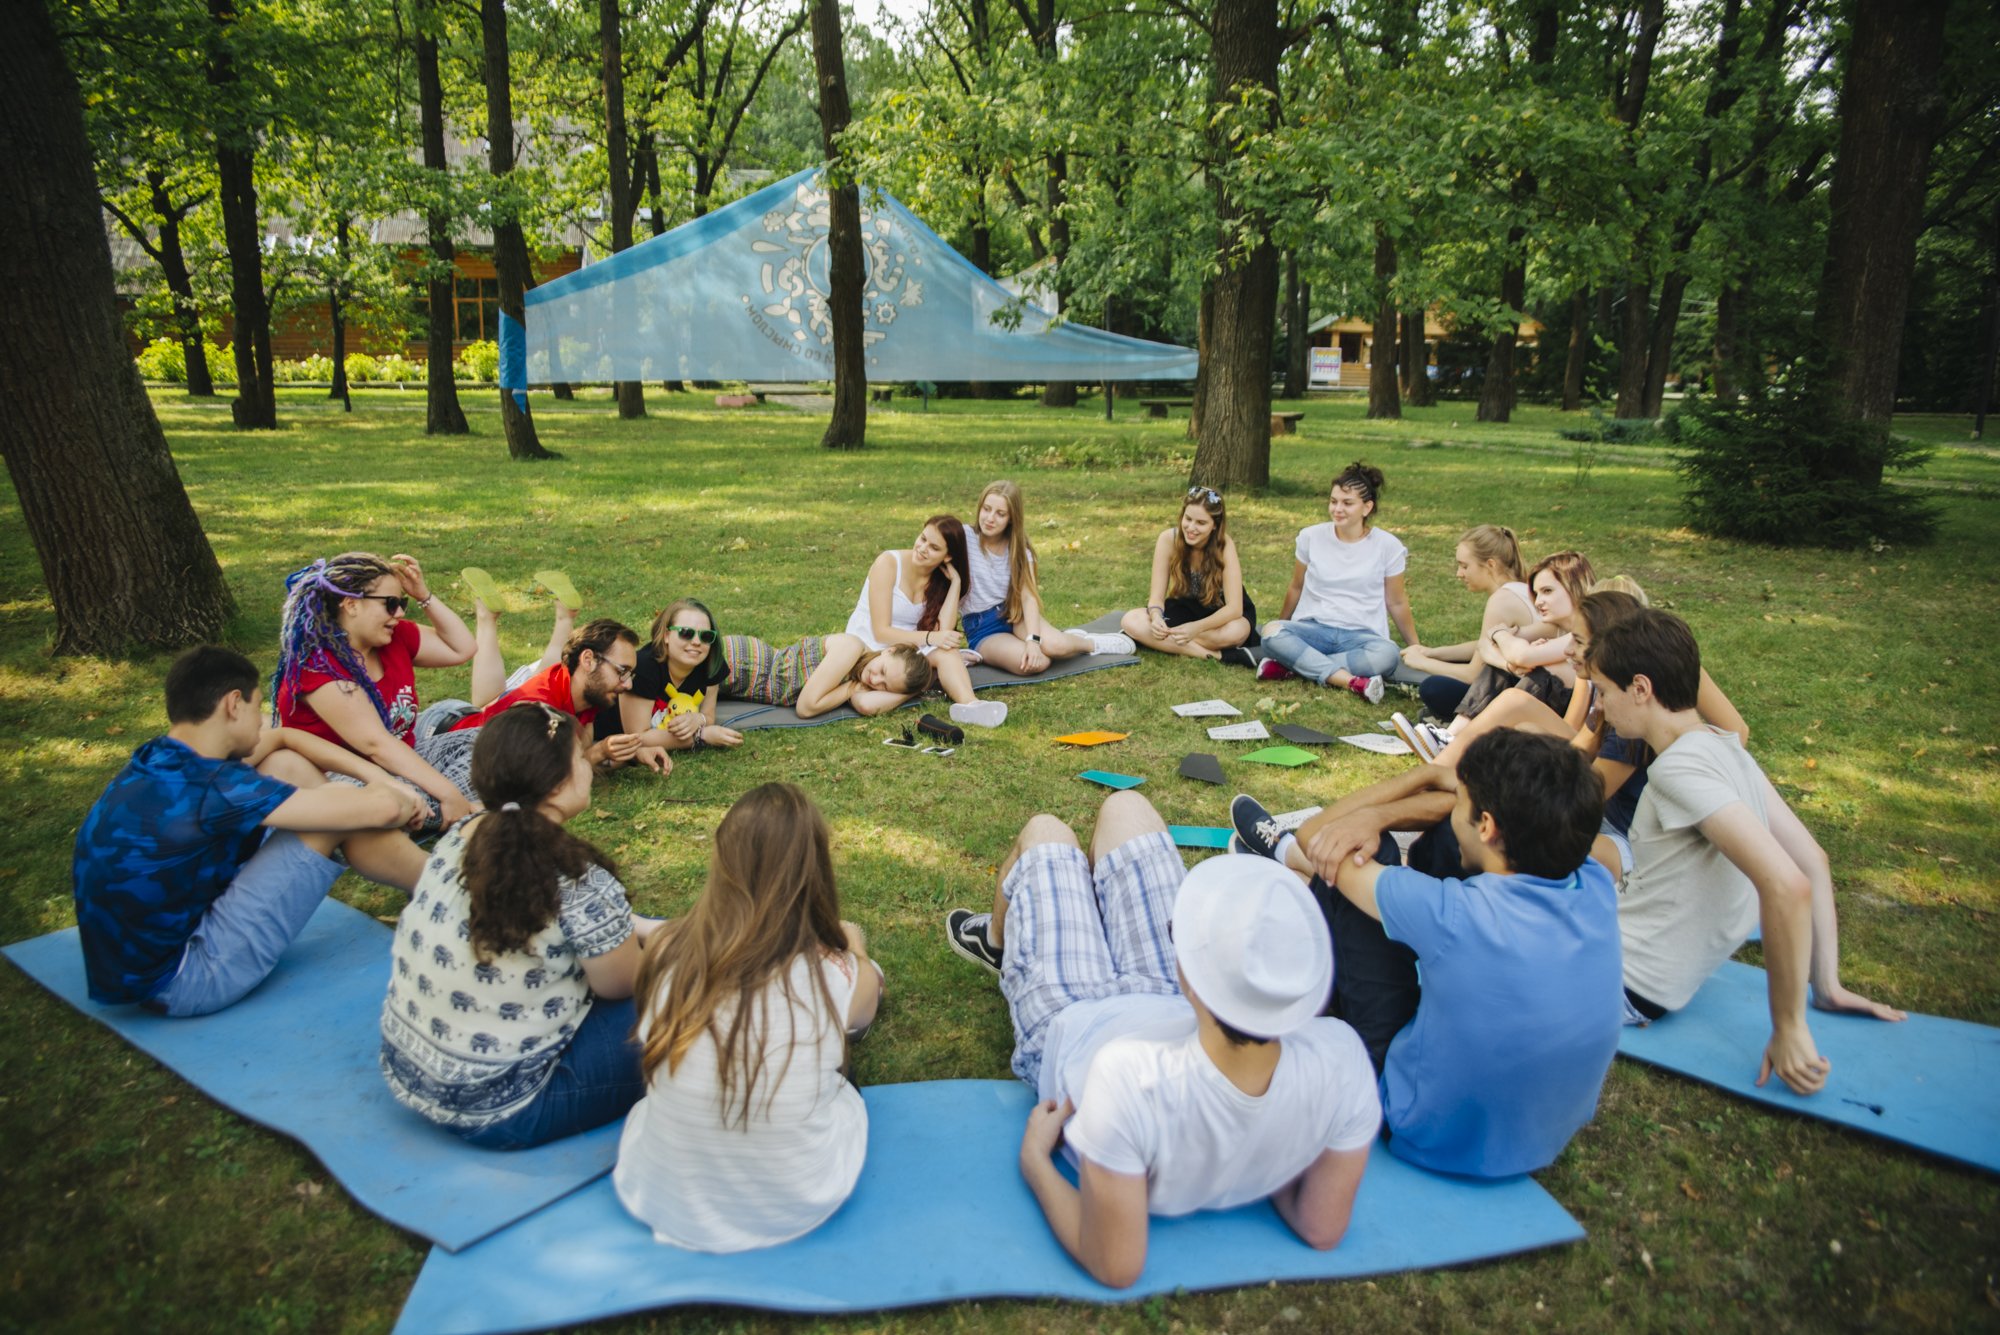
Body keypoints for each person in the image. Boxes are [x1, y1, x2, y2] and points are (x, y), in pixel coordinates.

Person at [943, 792, 1379, 1288]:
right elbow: (1321, 1229)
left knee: (1046, 835)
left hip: (1071, 1015)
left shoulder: (1128, 1078)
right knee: (1125, 807)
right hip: (1172, 1001)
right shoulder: (1342, 1056)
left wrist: (1036, 1161)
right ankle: (1058, 922)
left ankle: (999, 943)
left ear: (1194, 973)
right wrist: (1262, 1154)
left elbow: (1116, 1264)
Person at [1229, 730, 1622, 1179]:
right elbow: (1484, 830)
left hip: (1422, 1129)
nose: (1455, 803)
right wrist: (1461, 799)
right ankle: (1287, 869)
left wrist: (1415, 783)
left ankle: (1291, 890)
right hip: (1540, 1137)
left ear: (1488, 825)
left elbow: (1316, 835)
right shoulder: (1594, 878)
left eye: (1461, 800)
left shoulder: (1452, 915)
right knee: (1443, 842)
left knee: (1362, 855)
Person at [1584, 608, 1904, 1095]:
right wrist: (1828, 986)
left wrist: (1789, 1026)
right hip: (1636, 960)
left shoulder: (1678, 772)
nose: (1602, 707)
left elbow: (1787, 883)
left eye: (1604, 691)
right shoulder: (1724, 746)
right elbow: (1812, 859)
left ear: (1641, 688)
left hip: (1622, 982)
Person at [73, 646, 425, 1015]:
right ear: (233, 704)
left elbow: (284, 739)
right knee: (335, 808)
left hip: (136, 965)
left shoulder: (163, 756)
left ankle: (437, 881)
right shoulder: (217, 788)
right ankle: (449, 885)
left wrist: (378, 777)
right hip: (182, 980)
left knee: (285, 765)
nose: (263, 720)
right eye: (259, 707)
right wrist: (399, 795)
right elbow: (383, 809)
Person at [379, 704, 663, 1149]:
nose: (588, 765)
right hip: (502, 1108)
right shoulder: (577, 879)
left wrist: (639, 927)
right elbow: (622, 984)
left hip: (411, 1074)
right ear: (556, 784)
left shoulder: (462, 835)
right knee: (682, 995)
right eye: (580, 756)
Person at [615, 783, 882, 1251]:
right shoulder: (827, 975)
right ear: (814, 870)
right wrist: (853, 946)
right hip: (791, 1199)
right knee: (844, 1064)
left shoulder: (666, 952)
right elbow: (866, 1005)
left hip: (666, 1193)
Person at [272, 551, 480, 832]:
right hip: (343, 778)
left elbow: (462, 649)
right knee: (389, 799)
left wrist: (424, 596)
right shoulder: (319, 665)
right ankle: (465, 809)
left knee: (485, 742)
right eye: (391, 604)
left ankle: (450, 812)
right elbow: (376, 745)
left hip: (407, 759)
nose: (400, 613)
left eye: (402, 602)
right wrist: (448, 792)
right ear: (351, 605)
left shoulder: (394, 638)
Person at [418, 618, 664, 800]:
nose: (628, 684)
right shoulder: (539, 710)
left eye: (630, 674)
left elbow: (579, 754)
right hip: (441, 735)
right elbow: (545, 780)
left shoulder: (590, 695)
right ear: (588, 660)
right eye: (621, 672)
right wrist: (599, 752)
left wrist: (632, 753)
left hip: (465, 715)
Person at [1255, 462, 1417, 704]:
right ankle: (1351, 681)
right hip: (1315, 629)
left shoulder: (1388, 546)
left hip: (1361, 636)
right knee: (1270, 633)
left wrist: (1415, 646)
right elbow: (1296, 586)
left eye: (1347, 503)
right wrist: (1283, 625)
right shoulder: (1311, 536)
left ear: (1367, 507)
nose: (1337, 509)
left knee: (1388, 656)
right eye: (1333, 501)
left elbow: (1396, 601)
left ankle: (1293, 667)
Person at [961, 480, 1134, 674]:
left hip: (1014, 616)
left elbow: (1028, 597)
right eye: (986, 509)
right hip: (982, 628)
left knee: (1054, 646)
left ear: (1011, 518)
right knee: (1036, 663)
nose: (990, 518)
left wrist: (1033, 641)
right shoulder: (964, 537)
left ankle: (1090, 643)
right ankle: (1062, 640)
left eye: (1000, 514)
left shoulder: (1019, 551)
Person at [845, 515, 993, 723]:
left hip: (909, 649)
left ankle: (971, 705)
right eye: (922, 539)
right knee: (866, 704)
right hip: (871, 646)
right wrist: (932, 638)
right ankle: (922, 683)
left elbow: (944, 631)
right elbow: (882, 632)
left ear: (947, 557)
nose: (922, 548)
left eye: (933, 547)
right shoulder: (888, 563)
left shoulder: (939, 580)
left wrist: (955, 584)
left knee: (947, 652)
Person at [1397, 526, 1536, 724]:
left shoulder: (1502, 601)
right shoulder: (1521, 588)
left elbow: (1474, 675)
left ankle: (1451, 719)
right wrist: (1432, 652)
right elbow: (1483, 645)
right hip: (1521, 680)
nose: (1458, 574)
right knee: (1450, 665)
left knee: (1433, 688)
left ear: (1490, 565)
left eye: (1464, 566)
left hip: (1519, 689)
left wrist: (1422, 663)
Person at [1117, 486, 1256, 661]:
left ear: (1215, 525)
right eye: (1188, 519)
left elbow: (1234, 609)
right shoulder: (1167, 540)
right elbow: (1156, 598)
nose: (1191, 528)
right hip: (1184, 608)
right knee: (1131, 620)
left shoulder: (1225, 546)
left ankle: (1165, 642)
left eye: (1201, 523)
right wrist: (1155, 616)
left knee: (1237, 632)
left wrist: (1196, 628)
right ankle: (1213, 655)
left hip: (1221, 614)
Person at [606, 599, 744, 754]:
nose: (697, 642)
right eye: (686, 633)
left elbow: (708, 715)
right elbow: (637, 737)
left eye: (706, 636)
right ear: (666, 636)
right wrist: (701, 735)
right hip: (601, 732)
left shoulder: (711, 663)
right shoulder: (644, 667)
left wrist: (699, 719)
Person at [719, 633, 937, 718]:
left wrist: (911, 692)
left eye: (885, 687)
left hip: (741, 678)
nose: (875, 681)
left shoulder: (859, 677)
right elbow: (806, 708)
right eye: (882, 671)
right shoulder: (851, 648)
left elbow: (868, 706)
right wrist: (851, 689)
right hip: (744, 662)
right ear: (889, 649)